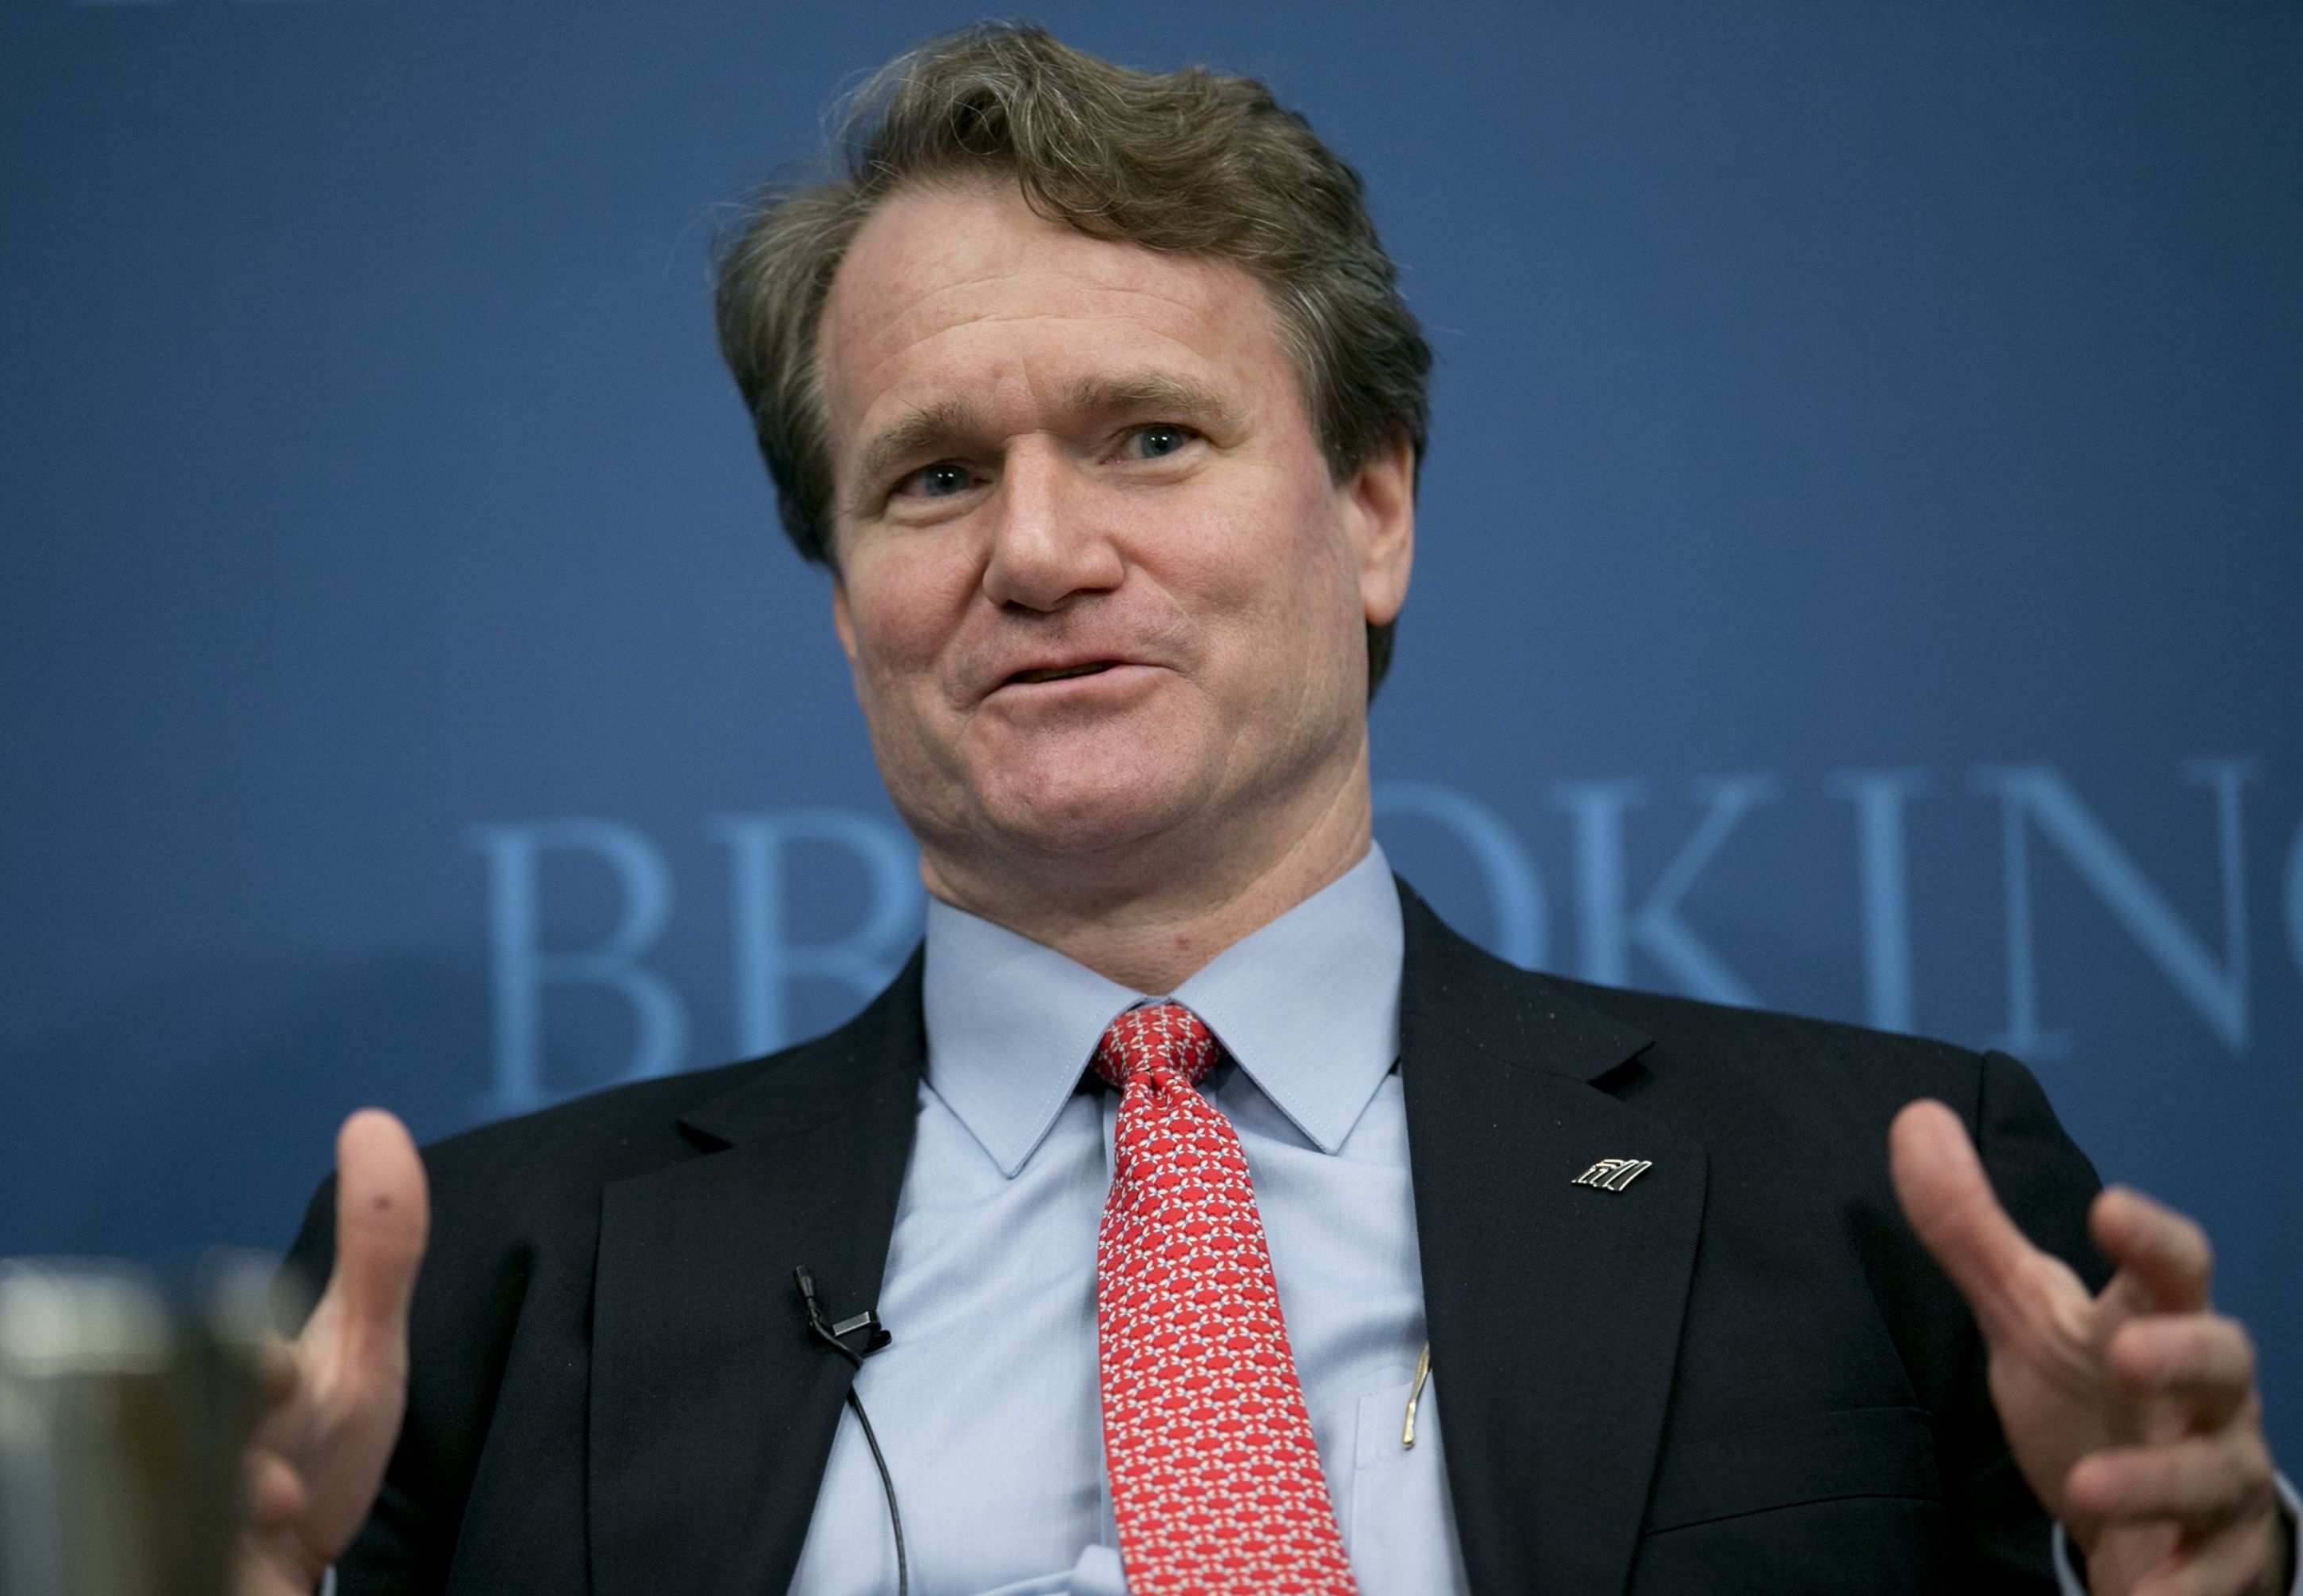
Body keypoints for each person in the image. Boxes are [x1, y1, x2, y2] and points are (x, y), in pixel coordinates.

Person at [235, 26, 2293, 1596]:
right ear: (845, 594)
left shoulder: (1879, 1196)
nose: (1040, 554)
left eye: (1149, 437)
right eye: (934, 478)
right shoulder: (486, 1292)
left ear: (1373, 509)